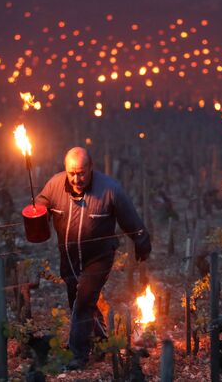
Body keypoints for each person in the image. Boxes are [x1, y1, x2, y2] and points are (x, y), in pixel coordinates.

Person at [36, 146, 151, 369]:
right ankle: (100, 341)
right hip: (68, 256)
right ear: (65, 170)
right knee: (77, 301)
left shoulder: (110, 189)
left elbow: (131, 219)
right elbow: (41, 204)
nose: (76, 178)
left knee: (83, 302)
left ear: (91, 168)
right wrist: (35, 213)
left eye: (81, 172)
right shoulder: (54, 184)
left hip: (99, 257)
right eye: (72, 173)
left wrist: (142, 241)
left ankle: (78, 355)